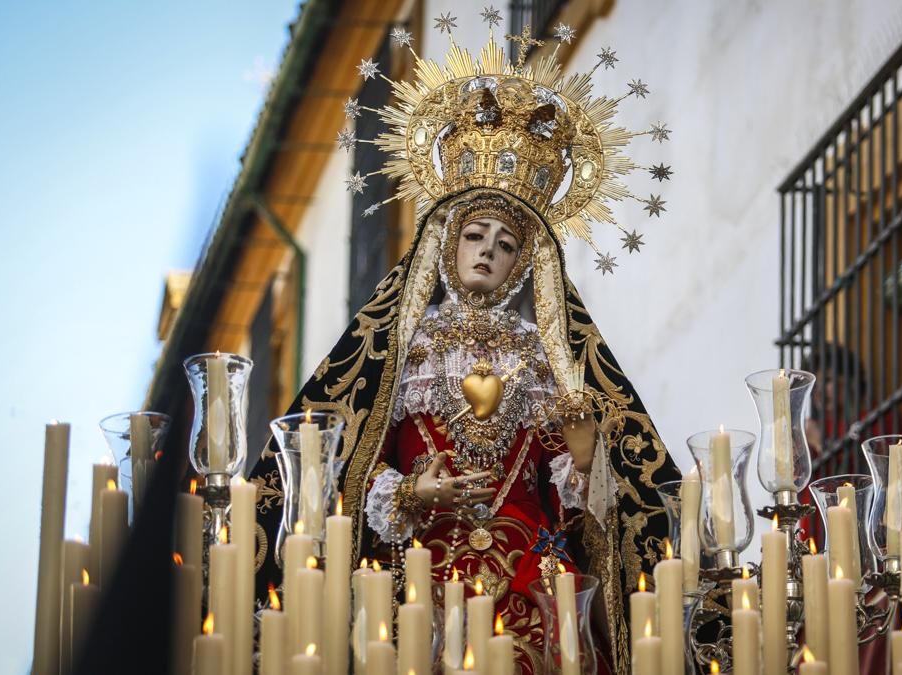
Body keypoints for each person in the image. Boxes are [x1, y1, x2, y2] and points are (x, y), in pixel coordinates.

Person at [247, 30, 680, 673]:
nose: (488, 251)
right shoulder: (402, 347)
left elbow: (570, 495)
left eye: (507, 244)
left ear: (521, 264)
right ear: (447, 245)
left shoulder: (542, 355)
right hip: (421, 579)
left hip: (535, 588)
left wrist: (585, 456)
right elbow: (356, 461)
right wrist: (410, 494)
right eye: (475, 234)